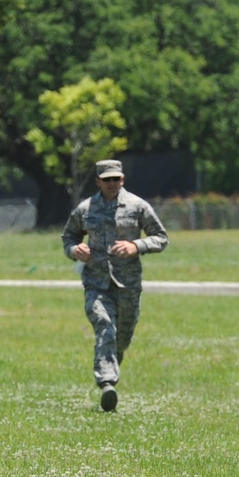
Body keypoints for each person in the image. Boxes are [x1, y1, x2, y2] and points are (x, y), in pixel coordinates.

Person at [61, 159, 169, 412]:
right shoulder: (85, 209)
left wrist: (137, 246)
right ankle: (107, 383)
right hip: (96, 283)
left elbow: (161, 238)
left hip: (128, 284)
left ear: (123, 179)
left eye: (116, 179)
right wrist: (75, 250)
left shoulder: (137, 206)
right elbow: (69, 237)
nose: (112, 184)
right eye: (107, 179)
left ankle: (112, 363)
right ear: (98, 181)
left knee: (122, 336)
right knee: (104, 325)